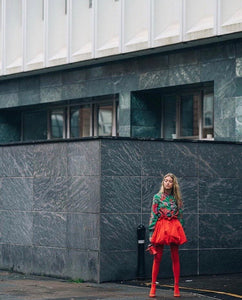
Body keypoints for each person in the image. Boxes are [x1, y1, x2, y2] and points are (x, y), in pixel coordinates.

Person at [148, 173, 187, 298]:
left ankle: (176, 286)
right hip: (161, 226)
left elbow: (180, 216)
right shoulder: (157, 197)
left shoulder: (177, 199)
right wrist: (151, 232)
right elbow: (153, 214)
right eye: (165, 180)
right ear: (163, 182)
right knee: (157, 257)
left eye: (170, 181)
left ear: (173, 184)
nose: (167, 182)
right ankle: (153, 285)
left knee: (175, 256)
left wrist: (180, 231)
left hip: (174, 227)